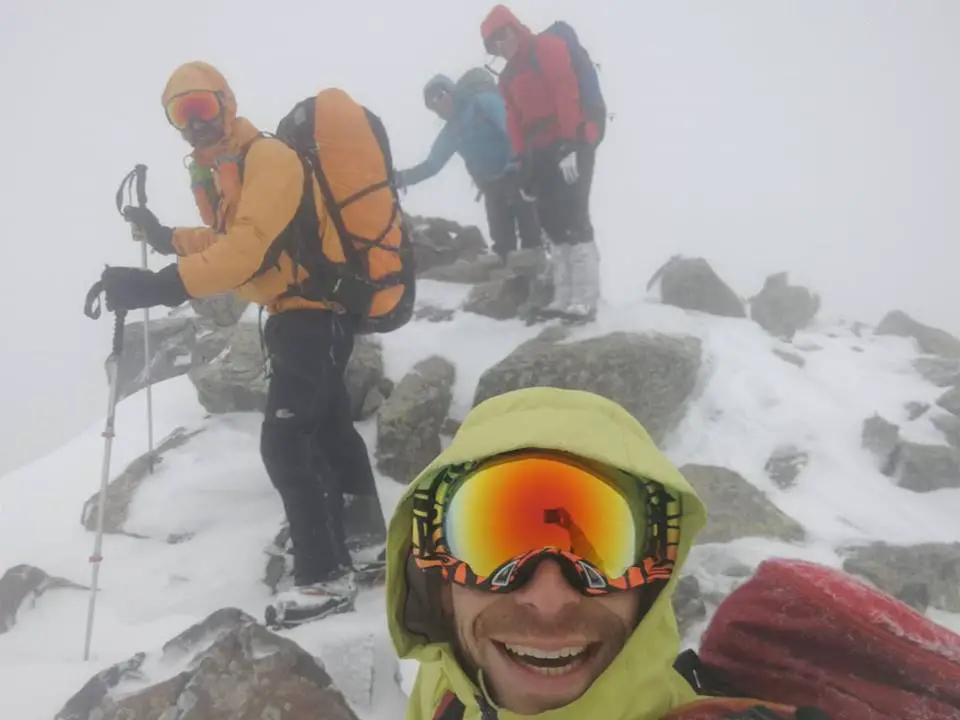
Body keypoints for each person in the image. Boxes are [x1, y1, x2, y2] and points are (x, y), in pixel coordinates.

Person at [97, 61, 382, 621]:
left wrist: (159, 287)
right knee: (326, 426)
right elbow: (229, 237)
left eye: (203, 106)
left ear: (226, 102)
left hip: (313, 315)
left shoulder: (269, 158)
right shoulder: (234, 169)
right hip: (299, 315)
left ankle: (323, 577)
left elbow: (246, 248)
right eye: (182, 113)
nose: (195, 122)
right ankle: (363, 541)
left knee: (285, 441)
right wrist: (163, 236)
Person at [385, 387, 826, 718]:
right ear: (441, 584)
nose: (549, 599)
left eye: (598, 551)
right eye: (492, 543)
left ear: (651, 588)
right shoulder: (448, 688)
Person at [480, 5, 605, 321]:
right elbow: (514, 121)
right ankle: (564, 297)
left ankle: (586, 299)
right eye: (493, 43)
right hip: (539, 153)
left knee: (574, 215)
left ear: (515, 28)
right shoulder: (507, 77)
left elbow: (566, 93)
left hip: (570, 140)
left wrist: (571, 144)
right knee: (550, 222)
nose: (500, 45)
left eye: (502, 35)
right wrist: (521, 163)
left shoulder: (547, 48)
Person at [396, 72, 542, 268]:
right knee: (502, 243)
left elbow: (510, 130)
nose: (438, 104)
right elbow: (432, 165)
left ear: (452, 92)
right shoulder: (452, 130)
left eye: (440, 95)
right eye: (433, 104)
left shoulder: (483, 103)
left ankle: (539, 281)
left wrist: (515, 164)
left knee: (530, 235)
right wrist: (401, 178)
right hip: (491, 184)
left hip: (516, 176)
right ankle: (514, 286)